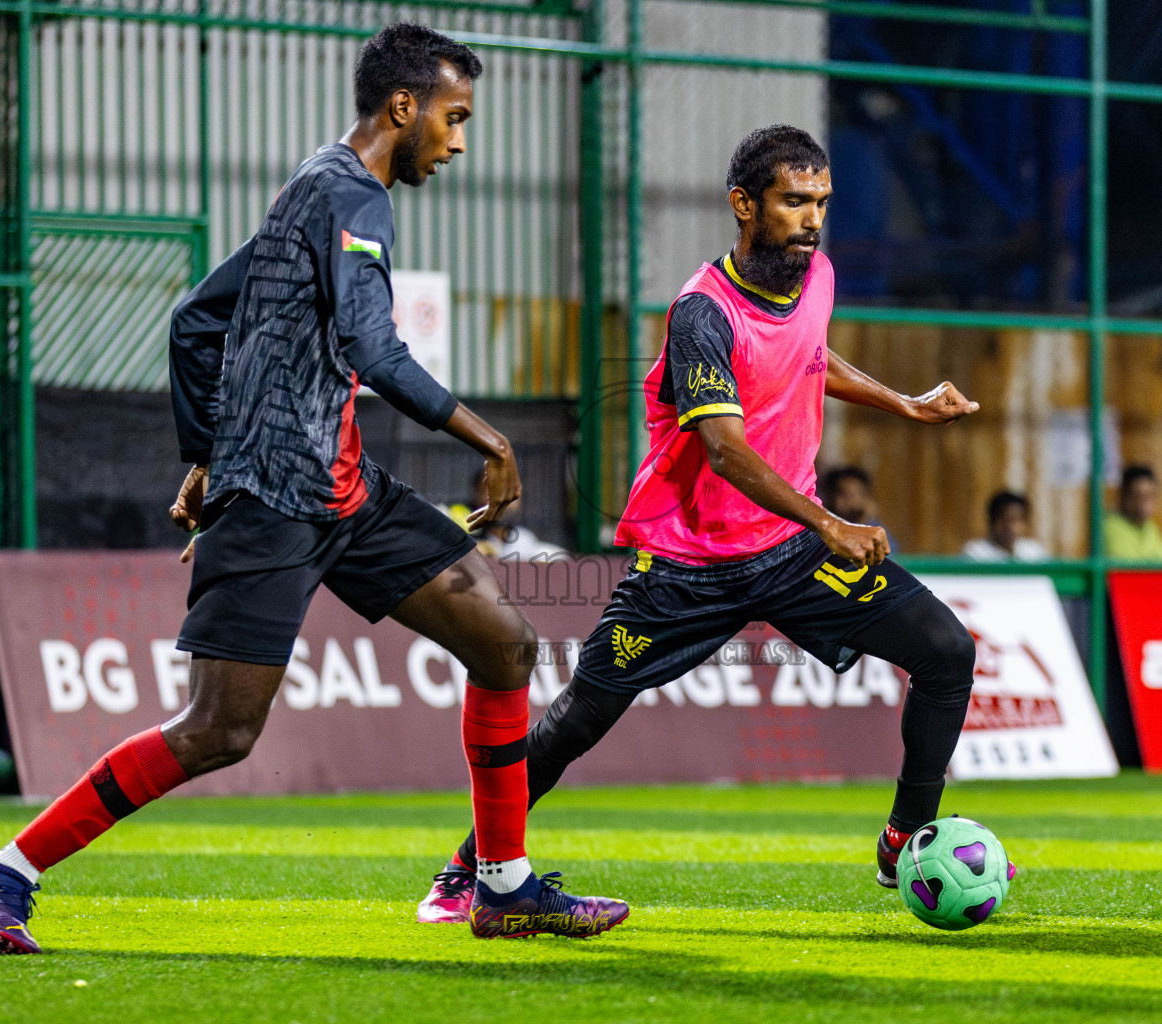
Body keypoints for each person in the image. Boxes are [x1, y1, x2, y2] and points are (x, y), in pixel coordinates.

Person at [0, 23, 626, 954]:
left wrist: (202, 453)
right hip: (276, 500)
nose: (459, 141)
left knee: (504, 646)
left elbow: (195, 322)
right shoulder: (353, 195)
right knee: (218, 731)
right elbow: (372, 347)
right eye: (454, 118)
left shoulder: (308, 187)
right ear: (404, 106)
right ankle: (6, 871)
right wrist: (489, 438)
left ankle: (500, 885)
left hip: (345, 491)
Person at [415, 124, 1001, 924]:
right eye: (795, 201)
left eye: (821, 202)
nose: (812, 219)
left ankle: (903, 839)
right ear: (744, 204)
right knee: (577, 720)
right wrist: (830, 522)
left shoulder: (816, 274)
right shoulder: (702, 313)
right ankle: (466, 870)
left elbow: (810, 358)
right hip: (688, 568)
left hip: (788, 554)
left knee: (945, 651)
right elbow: (724, 451)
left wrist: (902, 401)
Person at [452, 467, 567, 560]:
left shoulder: (524, 539)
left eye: (511, 492)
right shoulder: (461, 534)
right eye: (493, 491)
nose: (503, 500)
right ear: (477, 493)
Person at [1102, 464, 1162, 562]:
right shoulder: (1110, 526)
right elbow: (1128, 570)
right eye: (1137, 496)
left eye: (1149, 497)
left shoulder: (1149, 527)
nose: (1143, 504)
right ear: (1123, 495)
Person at [818, 465, 900, 550]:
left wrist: (866, 520)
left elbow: (890, 551)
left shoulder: (873, 526)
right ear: (830, 497)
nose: (851, 501)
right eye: (845, 494)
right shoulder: (819, 531)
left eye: (857, 495)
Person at [962, 491, 1049, 562]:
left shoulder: (1034, 552)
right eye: (1005, 519)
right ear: (992, 521)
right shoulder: (975, 553)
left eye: (1017, 520)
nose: (1010, 527)